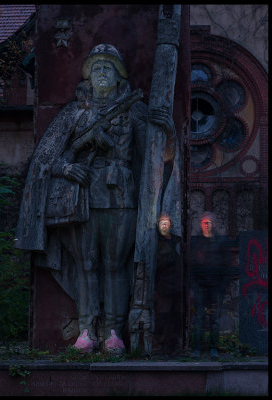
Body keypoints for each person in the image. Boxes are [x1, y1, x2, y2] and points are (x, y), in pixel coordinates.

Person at [15, 44, 175, 354]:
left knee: (115, 265)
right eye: (96, 68)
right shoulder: (75, 112)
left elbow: (156, 156)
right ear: (89, 76)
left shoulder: (133, 111)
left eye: (108, 68)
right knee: (86, 264)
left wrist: (165, 130)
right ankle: (87, 330)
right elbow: (46, 157)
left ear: (119, 75)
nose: (101, 73)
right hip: (82, 197)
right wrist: (68, 167)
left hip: (121, 196)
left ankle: (113, 332)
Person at [189, 211, 230, 359]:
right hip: (201, 287)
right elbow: (191, 265)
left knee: (214, 319)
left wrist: (222, 286)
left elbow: (226, 265)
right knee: (199, 319)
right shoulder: (197, 242)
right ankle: (197, 349)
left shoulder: (220, 242)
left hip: (215, 288)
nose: (207, 225)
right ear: (201, 224)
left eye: (209, 222)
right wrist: (195, 285)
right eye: (204, 222)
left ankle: (213, 348)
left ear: (213, 224)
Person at [153, 213, 182, 356]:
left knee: (176, 316)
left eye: (166, 223)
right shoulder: (156, 242)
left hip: (178, 285)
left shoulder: (177, 241)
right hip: (163, 286)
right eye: (162, 223)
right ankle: (160, 346)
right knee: (162, 316)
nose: (164, 225)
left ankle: (173, 346)